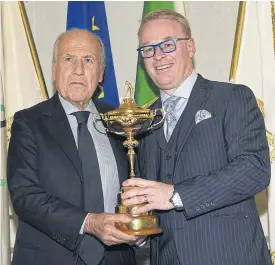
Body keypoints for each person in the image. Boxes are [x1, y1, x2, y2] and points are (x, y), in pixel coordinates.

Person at [121, 9, 272, 265]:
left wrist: (176, 195)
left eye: (168, 44)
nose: (158, 56)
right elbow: (152, 201)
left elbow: (253, 169)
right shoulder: (142, 121)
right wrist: (138, 230)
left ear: (190, 47)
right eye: (148, 49)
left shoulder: (232, 98)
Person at [7, 29, 138, 265]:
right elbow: (25, 196)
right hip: (48, 258)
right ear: (54, 69)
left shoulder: (120, 121)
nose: (78, 70)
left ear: (100, 73)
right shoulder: (28, 122)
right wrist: (89, 222)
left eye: (88, 60)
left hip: (116, 258)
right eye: (69, 59)